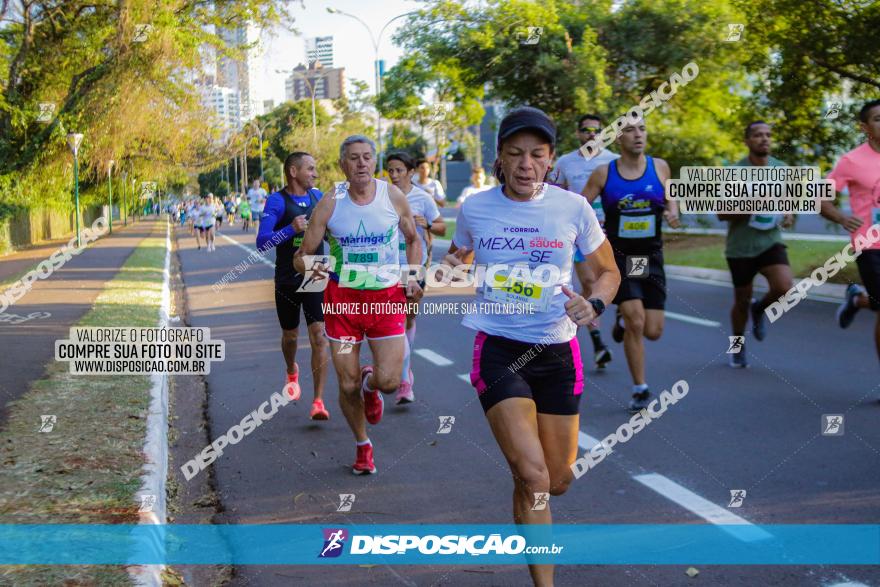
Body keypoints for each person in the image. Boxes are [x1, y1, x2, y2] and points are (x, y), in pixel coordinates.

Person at [448, 106, 619, 587]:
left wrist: (595, 304)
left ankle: (527, 484)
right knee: (535, 476)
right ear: (500, 158)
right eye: (515, 154)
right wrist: (439, 272)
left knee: (556, 480)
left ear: (549, 162)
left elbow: (608, 272)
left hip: (558, 353)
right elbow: (460, 251)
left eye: (537, 155)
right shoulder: (475, 207)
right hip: (499, 349)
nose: (526, 164)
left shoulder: (572, 208)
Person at [293, 135, 423, 475]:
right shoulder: (330, 203)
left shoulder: (391, 196)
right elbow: (303, 257)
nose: (361, 163)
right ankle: (363, 445)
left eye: (367, 157)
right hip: (343, 303)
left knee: (390, 382)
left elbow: (412, 240)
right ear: (342, 165)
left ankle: (372, 386)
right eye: (354, 158)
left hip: (386, 299)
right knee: (345, 382)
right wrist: (319, 269)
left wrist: (413, 277)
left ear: (373, 162)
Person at [583, 117, 680, 412]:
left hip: (651, 257)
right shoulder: (603, 174)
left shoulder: (659, 167)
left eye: (642, 129)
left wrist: (672, 211)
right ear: (617, 139)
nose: (638, 135)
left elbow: (671, 196)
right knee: (637, 321)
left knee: (652, 331)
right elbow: (578, 207)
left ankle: (623, 319)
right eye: (630, 130)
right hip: (621, 258)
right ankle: (640, 387)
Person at [257, 152, 331, 420]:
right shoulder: (276, 201)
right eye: (310, 169)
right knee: (290, 336)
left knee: (319, 335)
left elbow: (333, 229)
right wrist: (290, 229)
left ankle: (319, 401)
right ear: (293, 171)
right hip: (288, 276)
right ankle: (292, 370)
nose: (315, 173)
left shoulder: (318, 197)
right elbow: (262, 243)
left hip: (315, 271)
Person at [719, 121, 794, 368]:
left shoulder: (781, 169)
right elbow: (722, 213)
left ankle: (760, 309)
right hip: (740, 247)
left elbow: (788, 207)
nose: (764, 139)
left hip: (770, 241)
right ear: (747, 141)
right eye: (758, 135)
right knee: (741, 301)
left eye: (768, 135)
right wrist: (753, 204)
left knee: (784, 287)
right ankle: (737, 346)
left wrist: (787, 215)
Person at [553, 114, 620, 369]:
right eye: (586, 130)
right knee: (591, 284)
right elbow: (555, 194)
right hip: (581, 236)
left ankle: (621, 316)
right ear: (578, 133)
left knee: (620, 280)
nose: (591, 134)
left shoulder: (613, 161)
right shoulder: (565, 162)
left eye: (596, 129)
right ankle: (598, 343)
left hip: (613, 232)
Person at [824, 99, 880, 380]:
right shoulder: (851, 161)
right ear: (864, 127)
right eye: (878, 119)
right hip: (870, 245)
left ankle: (857, 299)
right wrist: (842, 218)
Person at [386, 151, 446, 404]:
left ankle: (404, 370)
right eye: (390, 170)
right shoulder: (382, 196)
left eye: (399, 170)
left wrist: (427, 225)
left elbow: (442, 227)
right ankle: (404, 380)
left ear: (410, 172)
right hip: (387, 267)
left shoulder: (422, 197)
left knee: (408, 319)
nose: (394, 175)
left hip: (414, 264)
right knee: (396, 322)